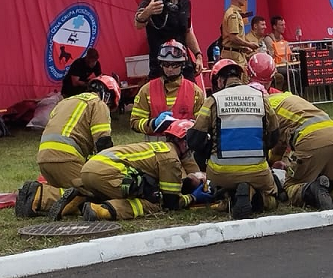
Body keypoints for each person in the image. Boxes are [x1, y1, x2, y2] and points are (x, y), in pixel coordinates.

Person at [187, 56, 281, 218]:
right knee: (273, 198)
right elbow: (274, 136)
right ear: (240, 77)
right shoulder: (261, 97)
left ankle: (225, 194)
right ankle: (255, 196)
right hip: (257, 170)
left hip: (220, 171)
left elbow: (195, 140)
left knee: (201, 152)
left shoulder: (213, 100)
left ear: (219, 82)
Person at [69, 118, 210, 221]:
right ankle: (102, 211)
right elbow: (170, 203)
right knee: (155, 201)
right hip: (108, 173)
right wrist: (193, 197)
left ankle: (81, 200)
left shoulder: (158, 149)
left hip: (89, 169)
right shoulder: (170, 159)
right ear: (184, 142)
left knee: (140, 188)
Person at [17, 75, 118, 219]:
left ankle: (40, 193)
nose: (109, 108)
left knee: (68, 191)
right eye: (111, 105)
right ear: (107, 95)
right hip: (66, 159)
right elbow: (103, 143)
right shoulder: (98, 104)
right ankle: (40, 196)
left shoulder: (65, 103)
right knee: (97, 193)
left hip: (44, 160)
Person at [134, 0, 203, 79]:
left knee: (191, 95)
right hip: (160, 66)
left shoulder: (185, 3)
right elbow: (138, 24)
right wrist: (148, 11)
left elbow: (187, 32)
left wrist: (198, 55)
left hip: (183, 65)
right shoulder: (150, 3)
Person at [129, 39, 205, 136]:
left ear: (182, 65)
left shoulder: (195, 92)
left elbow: (203, 125)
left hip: (184, 149)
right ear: (161, 64)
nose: (170, 69)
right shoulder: (146, 90)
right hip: (155, 150)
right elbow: (135, 122)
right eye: (166, 64)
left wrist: (188, 125)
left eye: (174, 65)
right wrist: (153, 123)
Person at [219, 0, 259, 69]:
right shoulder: (233, 14)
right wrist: (249, 44)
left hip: (237, 54)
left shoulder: (235, 13)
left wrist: (244, 48)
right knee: (239, 79)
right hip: (233, 57)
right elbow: (233, 38)